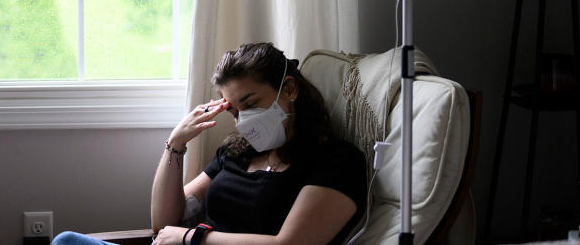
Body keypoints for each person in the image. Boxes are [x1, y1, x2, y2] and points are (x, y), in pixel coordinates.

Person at [53, 43, 367, 245]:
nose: (243, 118)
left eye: (250, 102)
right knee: (67, 241)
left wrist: (194, 238)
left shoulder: (336, 161)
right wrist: (176, 143)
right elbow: (164, 223)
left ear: (289, 89)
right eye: (233, 109)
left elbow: (292, 244)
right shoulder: (236, 154)